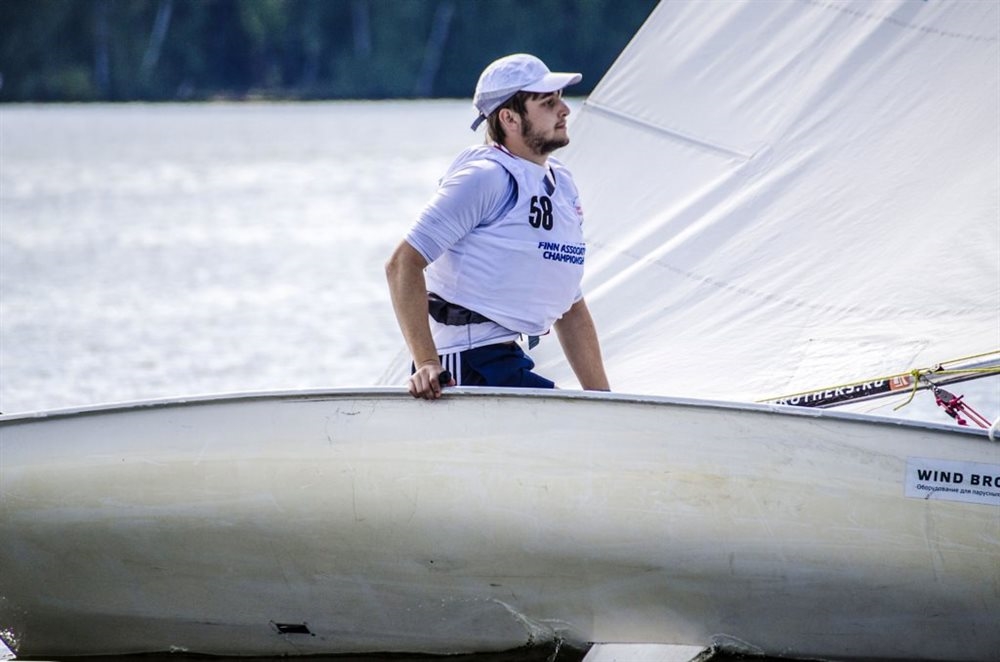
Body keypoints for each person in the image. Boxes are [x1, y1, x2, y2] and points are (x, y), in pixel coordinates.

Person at [385, 53, 610, 400]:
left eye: (560, 100)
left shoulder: (562, 185)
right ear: (509, 118)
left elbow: (570, 305)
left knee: (583, 425)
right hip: (464, 364)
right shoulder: (484, 177)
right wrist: (427, 363)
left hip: (504, 360)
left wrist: (605, 402)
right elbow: (402, 264)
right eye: (548, 103)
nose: (565, 110)